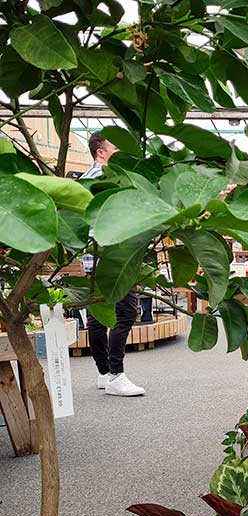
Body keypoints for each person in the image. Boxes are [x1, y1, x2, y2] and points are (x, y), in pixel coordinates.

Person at [81, 132, 145, 396]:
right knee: (126, 311)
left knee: (99, 314)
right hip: (112, 256)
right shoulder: (105, 180)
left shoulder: (85, 178)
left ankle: (104, 372)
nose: (120, 151)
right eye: (115, 147)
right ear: (101, 152)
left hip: (92, 257)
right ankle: (116, 375)